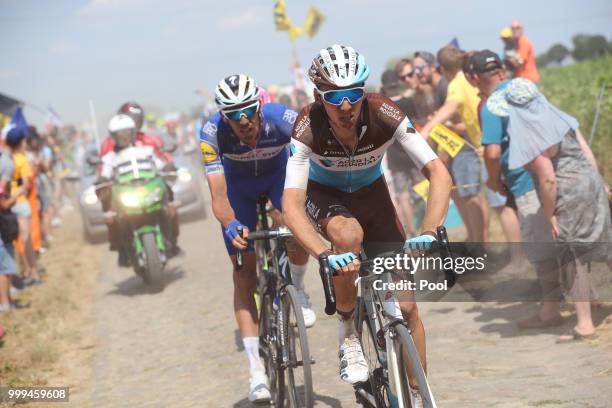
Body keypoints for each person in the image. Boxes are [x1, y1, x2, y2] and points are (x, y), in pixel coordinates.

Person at [283, 45, 452, 402]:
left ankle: (420, 394)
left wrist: (429, 229)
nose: (346, 105)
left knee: (406, 307)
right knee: (348, 236)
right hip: (325, 194)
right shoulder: (307, 127)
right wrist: (322, 254)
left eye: (354, 94)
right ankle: (347, 332)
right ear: (318, 97)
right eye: (335, 96)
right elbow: (292, 207)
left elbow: (437, 172)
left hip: (372, 194)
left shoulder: (384, 113)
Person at [199, 74, 313, 403]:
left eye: (248, 110)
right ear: (223, 116)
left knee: (295, 225)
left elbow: (309, 161)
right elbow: (219, 196)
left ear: (259, 105)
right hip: (239, 192)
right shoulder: (211, 132)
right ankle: (256, 371)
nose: (243, 119)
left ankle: (299, 287)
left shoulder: (282, 118)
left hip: (278, 178)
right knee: (244, 275)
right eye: (233, 114)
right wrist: (230, 222)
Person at [488, 78, 611, 341]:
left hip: (568, 194)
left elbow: (547, 179)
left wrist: (550, 214)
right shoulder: (559, 119)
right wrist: (600, 183)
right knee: (606, 245)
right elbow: (586, 152)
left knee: (573, 255)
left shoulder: (531, 132)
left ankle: (585, 324)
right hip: (590, 184)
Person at [420, 46, 489, 248]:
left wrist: (427, 129)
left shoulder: (457, 83)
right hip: (481, 142)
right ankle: (480, 243)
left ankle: (480, 245)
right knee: (486, 199)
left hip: (481, 143)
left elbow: (450, 108)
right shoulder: (465, 78)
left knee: (475, 197)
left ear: (443, 68)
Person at [96, 114, 180, 266]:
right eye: (119, 135)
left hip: (148, 188)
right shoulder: (110, 156)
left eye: (126, 133)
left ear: (133, 132)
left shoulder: (146, 150)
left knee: (168, 208)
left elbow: (159, 164)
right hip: (125, 192)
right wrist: (102, 179)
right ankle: (123, 249)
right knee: (114, 219)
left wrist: (167, 166)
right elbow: (105, 173)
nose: (123, 138)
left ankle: (171, 240)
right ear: (113, 136)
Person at [380, 69, 422, 237]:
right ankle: (429, 226)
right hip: (413, 153)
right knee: (423, 190)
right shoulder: (409, 102)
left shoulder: (383, 106)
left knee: (402, 195)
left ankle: (412, 230)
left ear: (384, 87)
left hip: (395, 157)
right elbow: (417, 126)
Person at [5, 127, 41, 285]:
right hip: (20, 203)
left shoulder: (7, 158)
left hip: (6, 204)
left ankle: (25, 271)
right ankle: (33, 273)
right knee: (26, 240)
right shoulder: (22, 159)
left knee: (16, 241)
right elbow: (26, 185)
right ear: (21, 142)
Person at [0, 139, 17, 312]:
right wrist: (18, 192)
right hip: (2, 219)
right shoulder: (5, 164)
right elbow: (3, 204)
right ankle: (5, 303)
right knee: (4, 265)